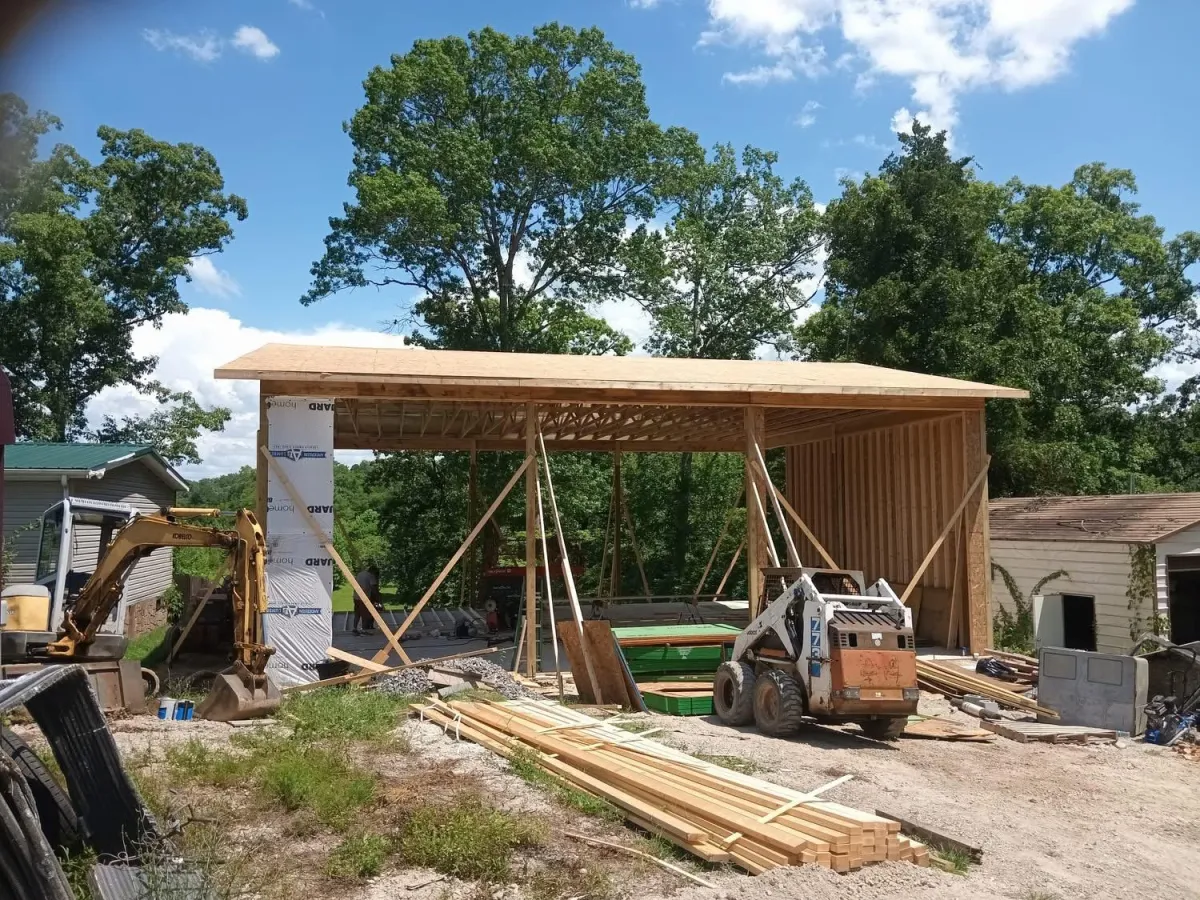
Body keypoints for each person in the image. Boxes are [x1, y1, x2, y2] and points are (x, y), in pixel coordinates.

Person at [352, 564, 381, 635]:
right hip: (364, 597)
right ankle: (363, 630)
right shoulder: (371, 576)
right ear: (373, 571)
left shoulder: (360, 574)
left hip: (356, 596)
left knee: (357, 613)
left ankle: (355, 628)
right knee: (365, 614)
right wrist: (378, 598)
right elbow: (374, 588)